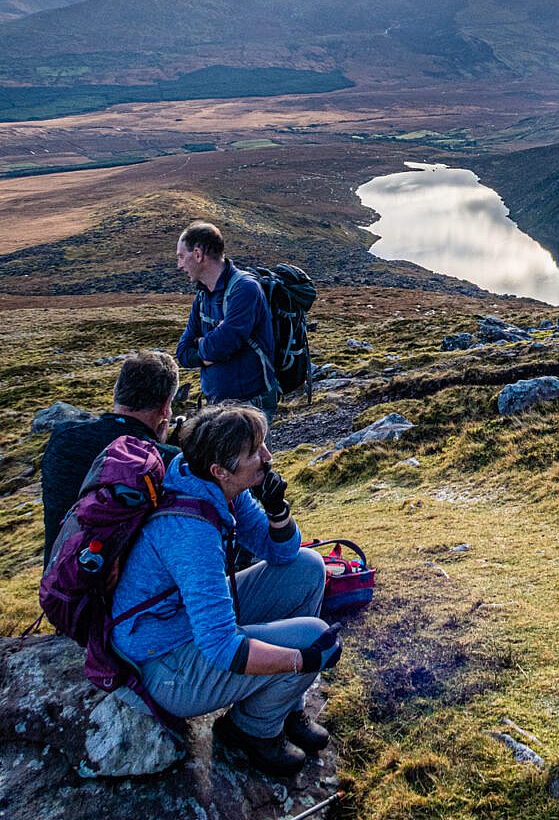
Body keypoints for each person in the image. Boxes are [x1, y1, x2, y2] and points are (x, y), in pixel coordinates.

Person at [111, 404, 338, 776]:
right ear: (220, 469)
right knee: (315, 640)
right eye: (255, 451)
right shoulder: (190, 533)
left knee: (307, 567)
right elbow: (220, 646)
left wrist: (277, 508)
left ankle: (284, 704)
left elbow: (281, 554)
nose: (267, 457)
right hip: (164, 664)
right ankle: (251, 729)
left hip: (184, 621)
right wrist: (300, 661)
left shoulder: (218, 487)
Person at [42, 351, 179, 567]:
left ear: (116, 393)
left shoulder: (64, 438)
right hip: (126, 585)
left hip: (58, 576)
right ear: (166, 406)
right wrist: (158, 446)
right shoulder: (167, 460)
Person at [175, 220, 277, 419]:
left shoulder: (245, 288)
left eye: (181, 257)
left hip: (250, 406)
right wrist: (212, 344)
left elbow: (224, 344)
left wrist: (201, 342)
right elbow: (183, 352)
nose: (179, 265)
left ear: (198, 254)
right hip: (215, 404)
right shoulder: (202, 295)